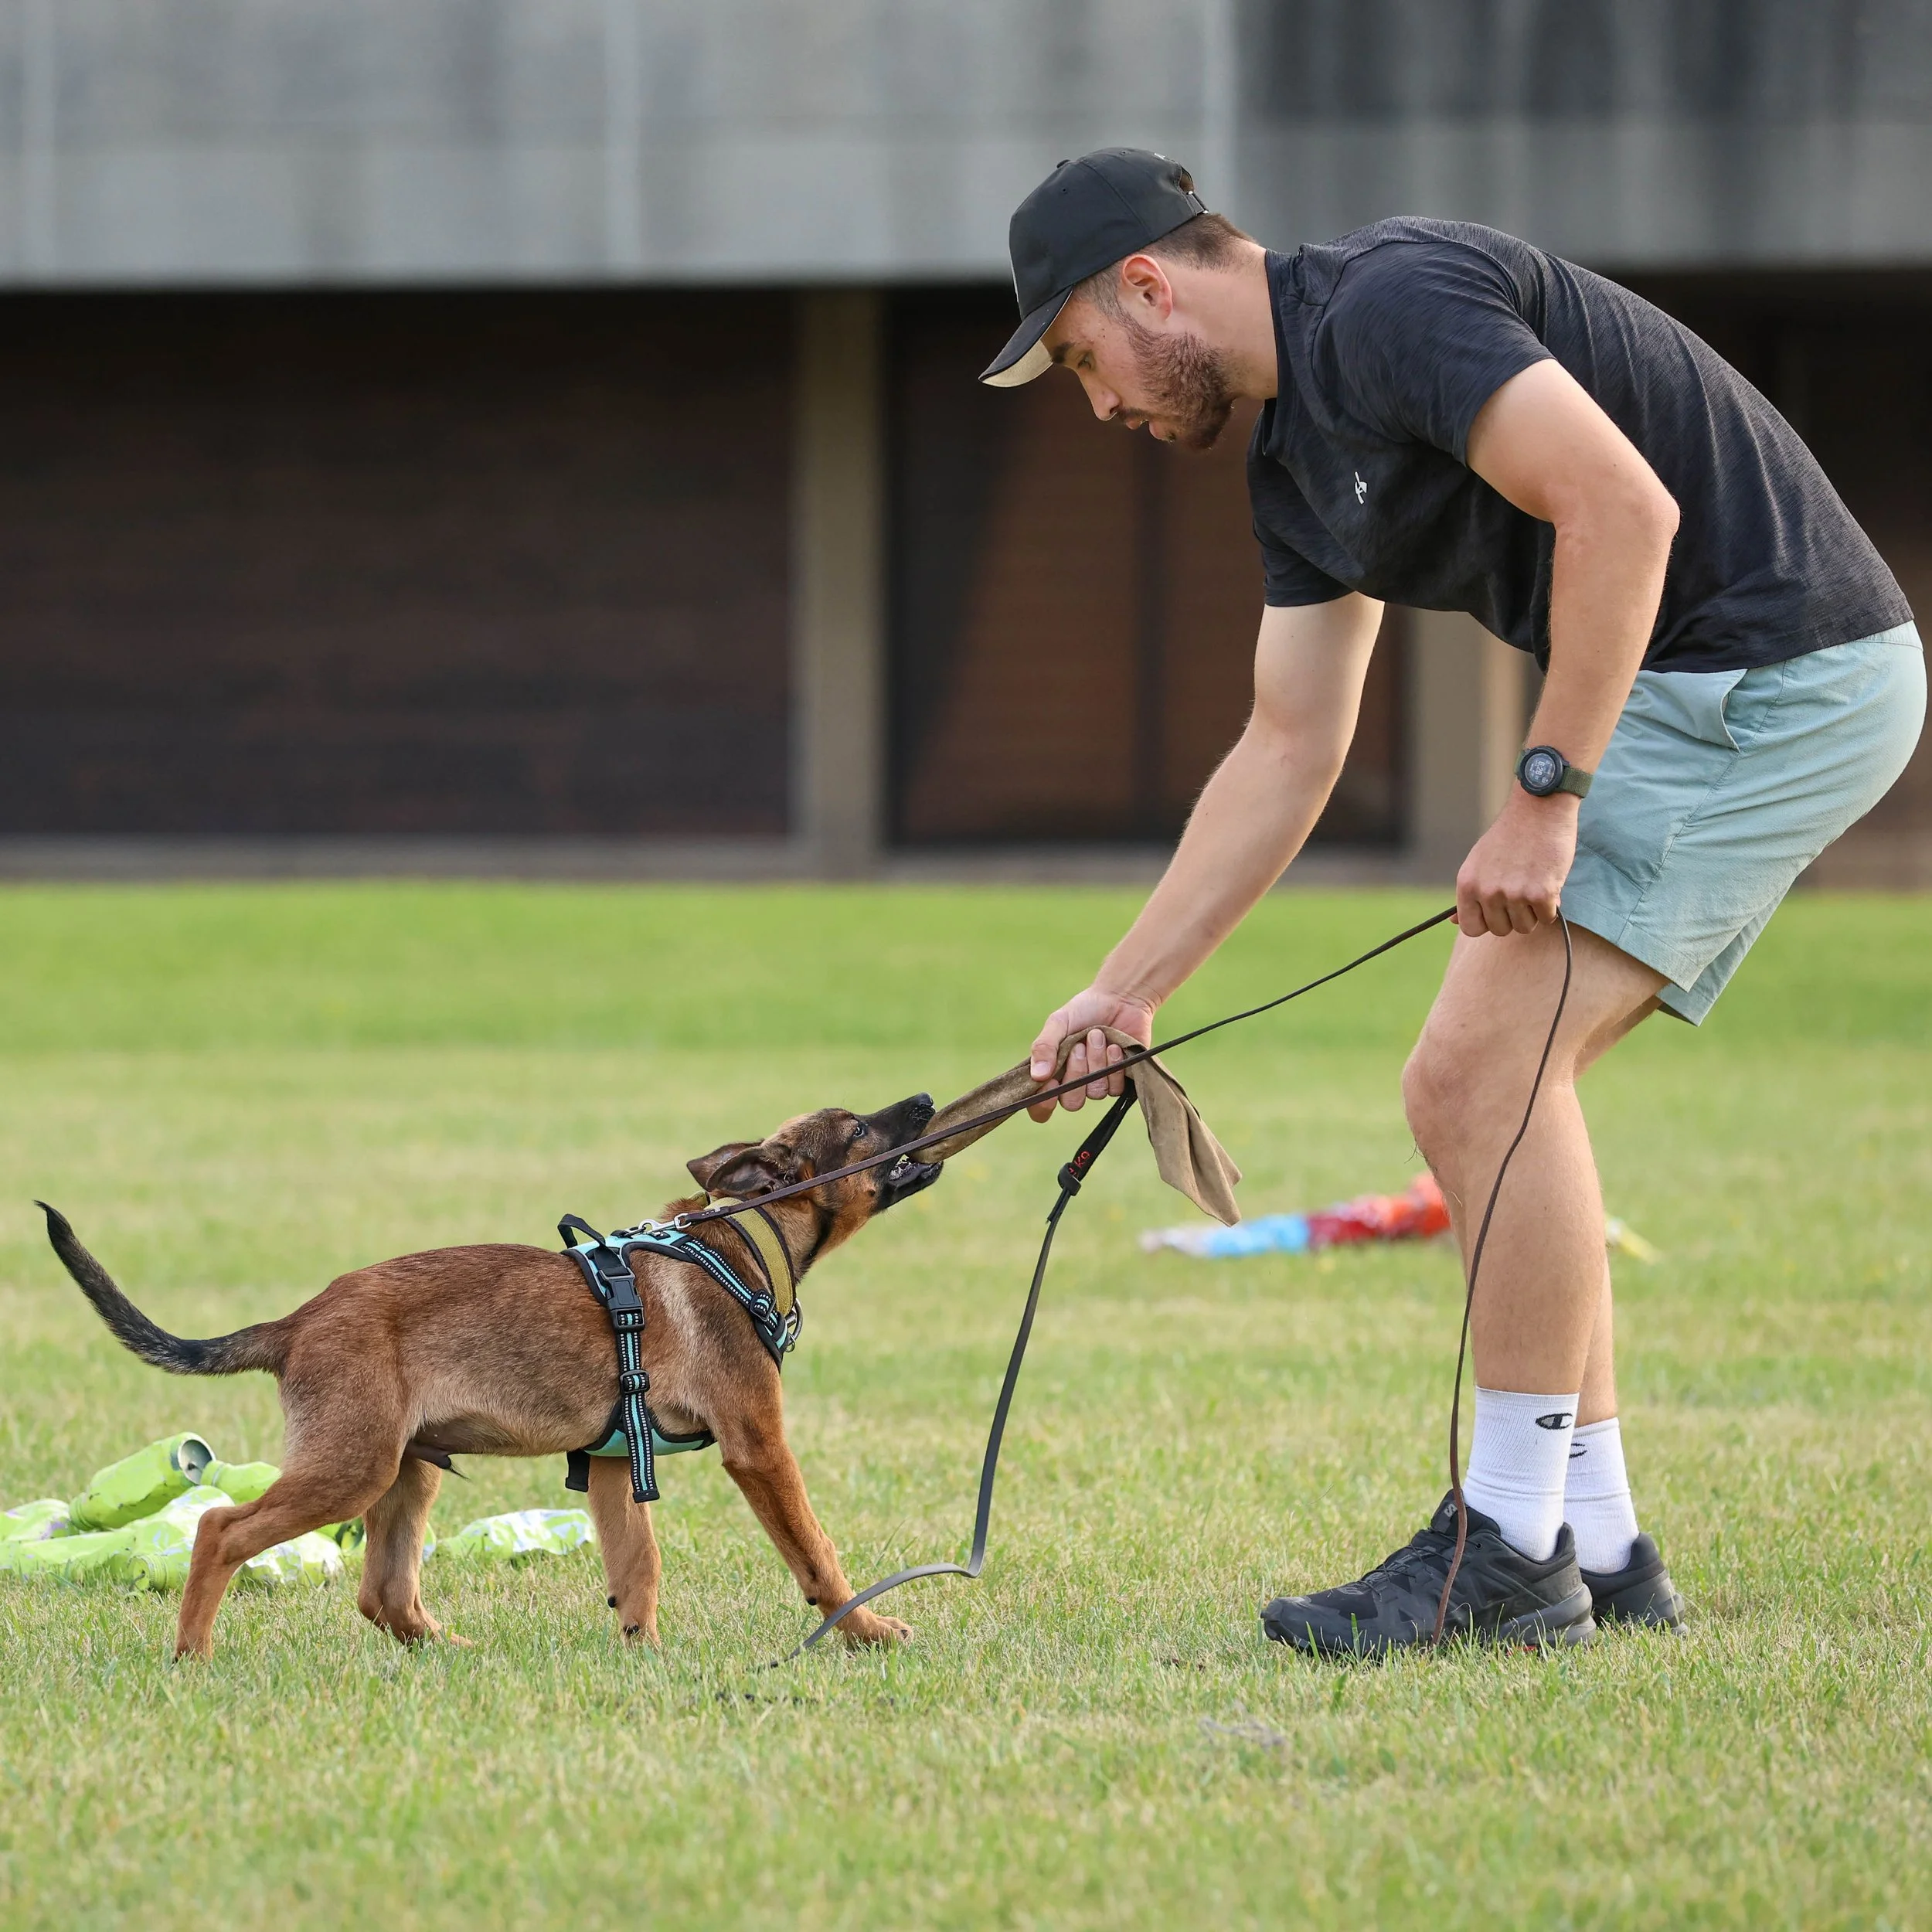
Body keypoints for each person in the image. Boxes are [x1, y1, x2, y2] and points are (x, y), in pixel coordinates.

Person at [984, 148, 1924, 1655]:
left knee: (1473, 1074)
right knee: (1505, 1087)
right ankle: (1598, 1541)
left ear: (1147, 286)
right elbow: (1287, 744)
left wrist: (1542, 796)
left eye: (1085, 360)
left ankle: (1504, 1546)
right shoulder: (1290, 465)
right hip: (1742, 684)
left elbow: (1622, 509)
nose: (1098, 405)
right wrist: (1123, 988)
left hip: (1770, 667)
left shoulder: (1387, 304)